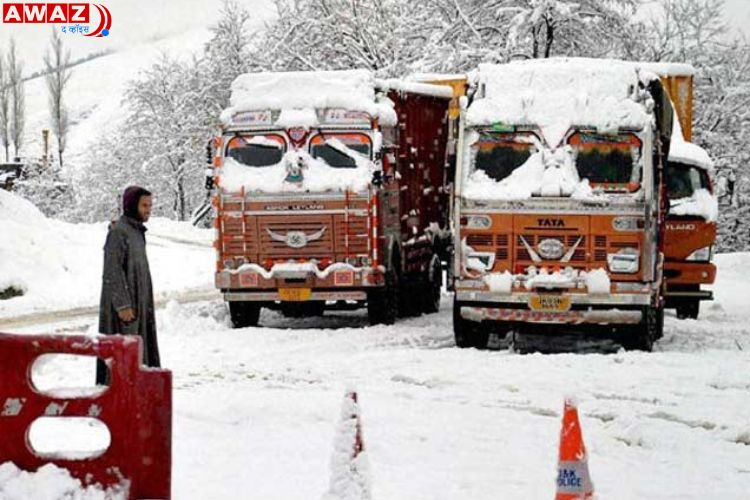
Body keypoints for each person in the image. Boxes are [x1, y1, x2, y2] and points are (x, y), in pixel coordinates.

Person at [96, 186, 160, 384]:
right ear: (132, 205)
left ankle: (139, 392)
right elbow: (112, 270)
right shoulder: (118, 232)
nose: (148, 209)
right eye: (144, 205)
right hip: (123, 310)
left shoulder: (136, 231)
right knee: (122, 352)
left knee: (139, 349)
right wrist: (123, 305)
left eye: (150, 205)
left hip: (139, 304)